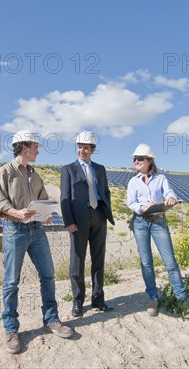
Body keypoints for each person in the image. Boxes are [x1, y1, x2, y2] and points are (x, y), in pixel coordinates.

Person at [0, 130, 73, 354]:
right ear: (24, 147)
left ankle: (52, 319)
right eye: (35, 146)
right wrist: (17, 213)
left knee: (48, 275)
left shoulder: (35, 176)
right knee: (11, 281)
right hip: (14, 230)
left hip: (37, 231)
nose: (38, 150)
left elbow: (44, 200)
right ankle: (11, 329)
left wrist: (46, 213)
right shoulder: (4, 172)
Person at [126, 143, 189, 317]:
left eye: (140, 158)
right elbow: (131, 202)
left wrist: (170, 199)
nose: (136, 161)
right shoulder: (133, 182)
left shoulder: (161, 179)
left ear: (149, 161)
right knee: (146, 262)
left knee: (170, 262)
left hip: (159, 222)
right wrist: (143, 206)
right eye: (135, 159)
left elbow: (170, 194)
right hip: (140, 223)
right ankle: (153, 298)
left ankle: (182, 300)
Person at [60, 131, 115, 317]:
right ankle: (78, 301)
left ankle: (98, 299)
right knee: (77, 261)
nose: (82, 150)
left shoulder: (100, 169)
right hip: (78, 220)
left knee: (98, 260)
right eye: (79, 147)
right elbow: (65, 198)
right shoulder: (68, 169)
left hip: (99, 216)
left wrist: (105, 210)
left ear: (93, 149)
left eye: (86, 147)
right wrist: (68, 221)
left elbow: (106, 192)